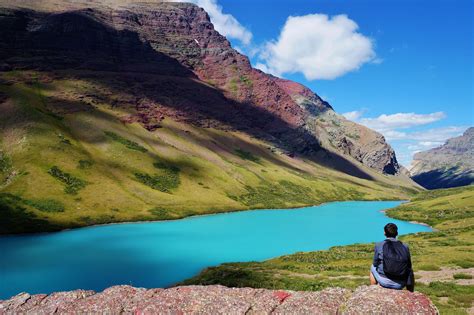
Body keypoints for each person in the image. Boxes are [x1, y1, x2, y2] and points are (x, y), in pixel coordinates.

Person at [370, 223, 414, 292]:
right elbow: (409, 265)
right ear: (397, 233)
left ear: (384, 233)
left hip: (384, 281)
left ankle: (373, 290)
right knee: (410, 270)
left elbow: (375, 263)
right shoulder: (405, 246)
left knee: (372, 267)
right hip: (400, 283)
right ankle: (411, 293)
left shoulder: (379, 245)